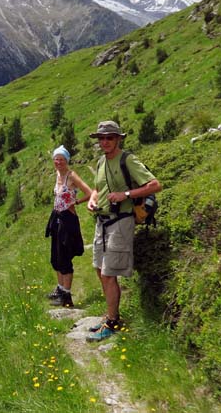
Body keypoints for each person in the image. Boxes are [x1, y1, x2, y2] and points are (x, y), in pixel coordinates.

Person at [86, 121, 162, 341]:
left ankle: (112, 322)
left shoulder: (127, 159)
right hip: (102, 221)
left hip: (121, 221)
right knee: (99, 269)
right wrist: (92, 200)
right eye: (101, 138)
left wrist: (125, 195)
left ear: (119, 138)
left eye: (110, 137)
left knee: (109, 274)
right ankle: (111, 314)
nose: (105, 142)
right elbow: (97, 189)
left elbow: (155, 185)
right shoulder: (101, 161)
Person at [45, 145, 93, 308]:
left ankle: (66, 295)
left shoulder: (71, 176)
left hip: (68, 219)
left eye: (61, 159)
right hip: (57, 217)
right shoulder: (58, 174)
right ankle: (60, 290)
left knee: (65, 257)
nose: (58, 162)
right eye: (56, 159)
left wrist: (76, 202)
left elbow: (90, 192)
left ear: (67, 161)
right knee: (56, 257)